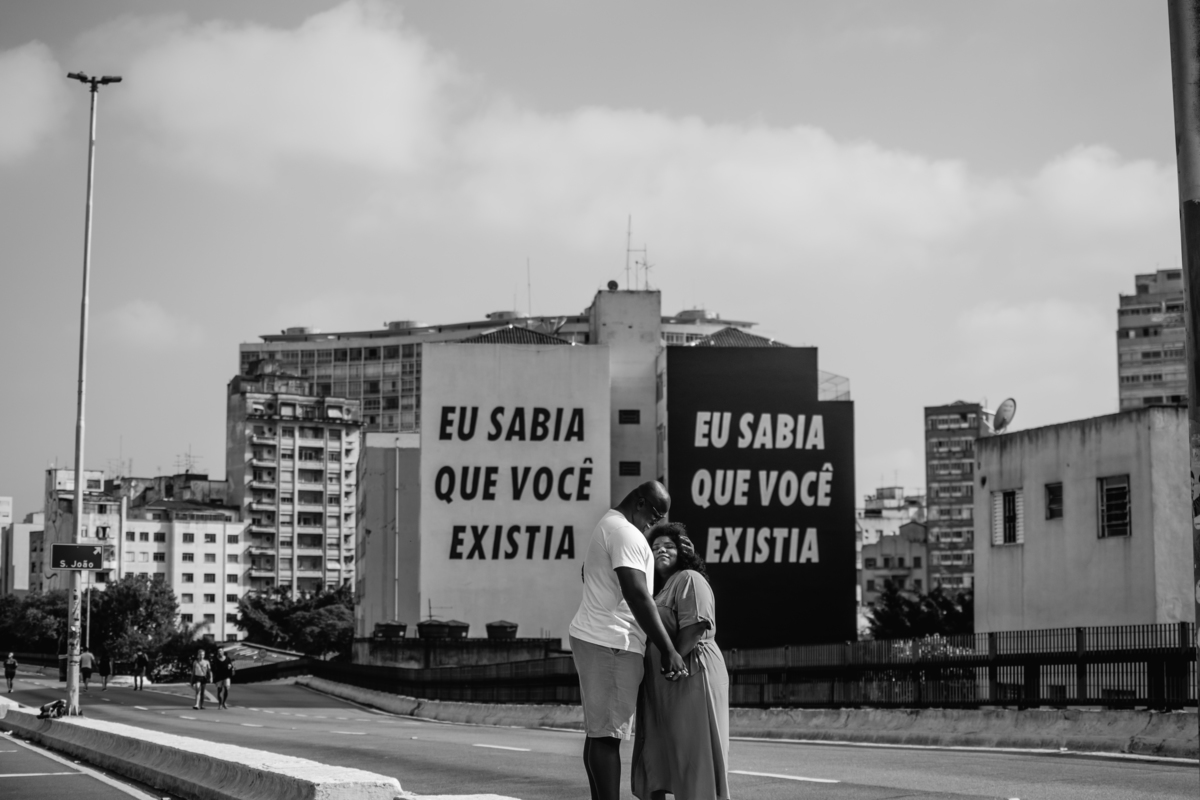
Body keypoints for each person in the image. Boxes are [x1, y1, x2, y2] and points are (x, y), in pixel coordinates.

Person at [568, 481, 687, 800]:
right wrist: (668, 648)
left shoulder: (609, 526)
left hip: (597, 637)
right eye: (656, 513)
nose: (657, 521)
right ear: (640, 502)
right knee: (607, 737)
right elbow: (637, 594)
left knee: (599, 735)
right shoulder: (624, 533)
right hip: (612, 642)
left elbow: (589, 575)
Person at [632, 523, 730, 800]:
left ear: (683, 552)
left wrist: (670, 660)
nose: (661, 550)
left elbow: (695, 625)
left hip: (691, 674)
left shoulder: (688, 577)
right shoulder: (657, 591)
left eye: (669, 546)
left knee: (693, 748)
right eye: (655, 547)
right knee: (666, 750)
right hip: (665, 682)